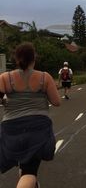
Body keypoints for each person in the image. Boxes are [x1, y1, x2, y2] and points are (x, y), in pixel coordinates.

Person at [0, 42, 61, 188]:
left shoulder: (4, 78)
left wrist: (5, 100)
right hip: (37, 126)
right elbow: (56, 102)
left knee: (25, 168)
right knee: (29, 173)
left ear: (16, 58)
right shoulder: (44, 77)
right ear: (34, 58)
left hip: (11, 127)